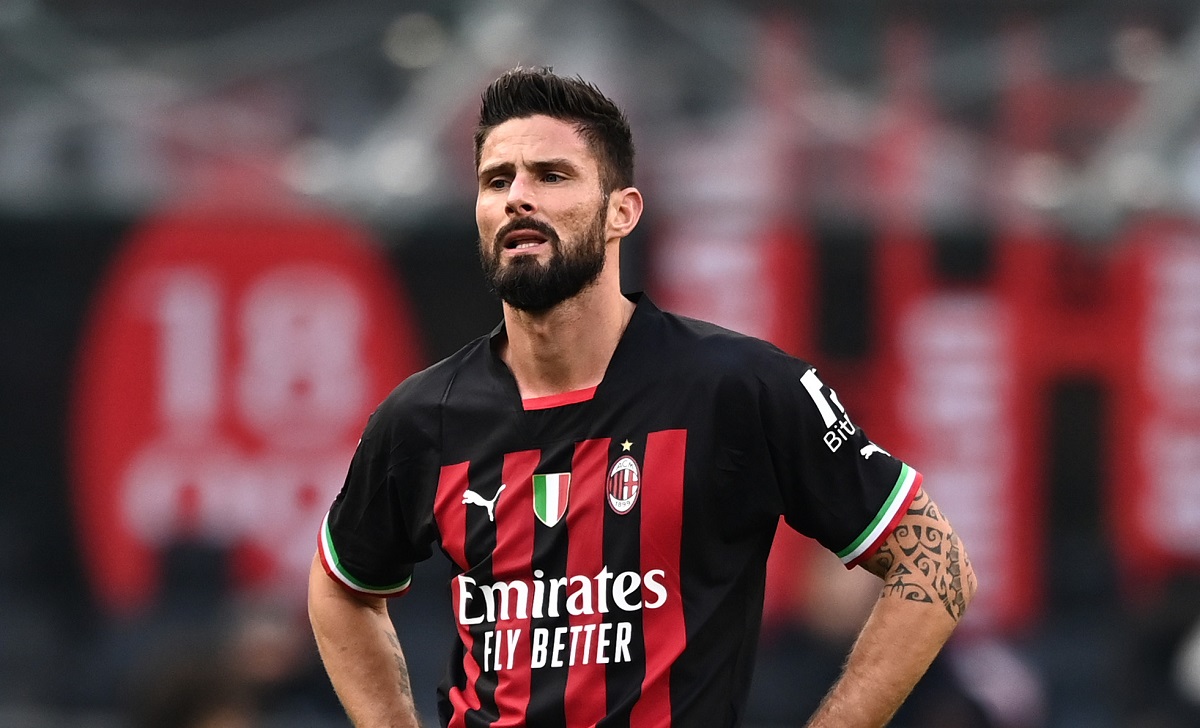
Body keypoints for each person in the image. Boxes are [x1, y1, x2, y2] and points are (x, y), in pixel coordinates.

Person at [308, 66, 977, 728]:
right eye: (497, 180)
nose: (518, 198)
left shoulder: (740, 389)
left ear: (621, 212)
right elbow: (342, 589)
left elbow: (936, 565)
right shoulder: (422, 418)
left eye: (552, 175)